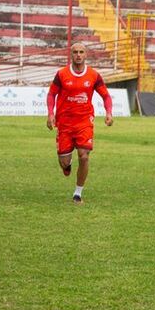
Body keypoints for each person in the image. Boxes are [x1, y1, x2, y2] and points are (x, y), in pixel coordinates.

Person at [46, 42, 113, 204]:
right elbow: (51, 94)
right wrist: (50, 113)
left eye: (81, 52)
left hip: (84, 121)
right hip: (65, 122)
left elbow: (105, 95)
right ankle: (67, 165)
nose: (78, 55)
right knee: (64, 162)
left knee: (83, 156)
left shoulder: (93, 75)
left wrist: (109, 112)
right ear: (71, 54)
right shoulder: (62, 74)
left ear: (86, 54)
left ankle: (78, 193)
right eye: (75, 52)